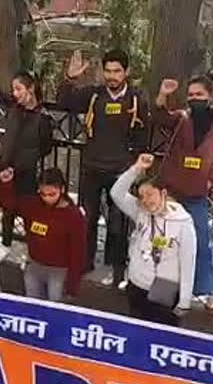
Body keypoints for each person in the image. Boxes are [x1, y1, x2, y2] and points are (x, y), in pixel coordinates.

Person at [57, 49, 150, 286]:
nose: (112, 76)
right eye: (108, 71)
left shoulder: (137, 99)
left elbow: (143, 135)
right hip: (92, 168)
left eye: (117, 71)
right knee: (87, 219)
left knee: (118, 224)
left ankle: (117, 270)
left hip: (121, 172)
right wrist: (70, 78)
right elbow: (64, 102)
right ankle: (84, 263)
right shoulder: (94, 95)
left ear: (126, 72)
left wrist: (136, 169)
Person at [155, 75, 213, 313]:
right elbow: (158, 117)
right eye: (190, 95)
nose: (194, 99)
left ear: (210, 96)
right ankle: (162, 288)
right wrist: (163, 94)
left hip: (197, 192)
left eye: (199, 95)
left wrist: (211, 180)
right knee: (165, 239)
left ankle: (207, 291)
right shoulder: (182, 118)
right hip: (172, 189)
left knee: (201, 240)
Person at [111, 154, 197, 326]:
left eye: (150, 194)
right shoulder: (141, 212)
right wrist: (136, 169)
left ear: (163, 193)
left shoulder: (183, 222)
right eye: (142, 196)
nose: (146, 201)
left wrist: (185, 300)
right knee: (136, 331)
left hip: (164, 285)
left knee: (160, 331)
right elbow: (116, 194)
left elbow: (188, 262)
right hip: (137, 282)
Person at [0, 44, 54, 247]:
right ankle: (5, 245)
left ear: (30, 89)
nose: (15, 93)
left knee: (29, 213)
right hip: (5, 169)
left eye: (18, 89)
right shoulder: (14, 107)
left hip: (25, 175)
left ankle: (34, 249)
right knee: (7, 211)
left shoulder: (43, 118)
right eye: (13, 89)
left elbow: (44, 148)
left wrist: (20, 165)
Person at [0, 166, 87, 301]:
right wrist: (6, 183)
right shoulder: (33, 205)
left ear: (62, 190)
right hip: (34, 266)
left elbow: (78, 252)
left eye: (52, 194)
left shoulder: (73, 216)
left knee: (55, 311)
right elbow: (9, 205)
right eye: (43, 194)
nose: (47, 199)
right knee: (33, 307)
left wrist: (72, 286)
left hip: (59, 271)